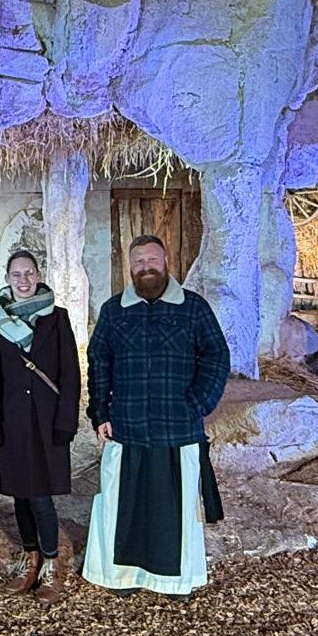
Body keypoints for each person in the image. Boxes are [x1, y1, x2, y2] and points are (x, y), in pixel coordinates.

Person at [83, 235, 230, 599]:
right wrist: (100, 411)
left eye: (152, 259)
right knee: (125, 504)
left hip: (177, 426)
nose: (145, 267)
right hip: (127, 424)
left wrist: (198, 401)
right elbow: (99, 362)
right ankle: (123, 576)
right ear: (129, 267)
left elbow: (216, 355)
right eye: (138, 261)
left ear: (165, 262)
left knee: (173, 508)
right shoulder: (114, 311)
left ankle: (174, 581)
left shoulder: (193, 308)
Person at [0, 249, 80, 606]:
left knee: (40, 494)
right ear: (7, 278)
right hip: (12, 420)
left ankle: (51, 565)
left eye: (29, 273)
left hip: (47, 419)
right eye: (16, 274)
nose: (23, 280)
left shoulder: (57, 318)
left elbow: (70, 373)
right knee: (19, 494)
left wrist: (66, 421)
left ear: (38, 275)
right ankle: (31, 560)